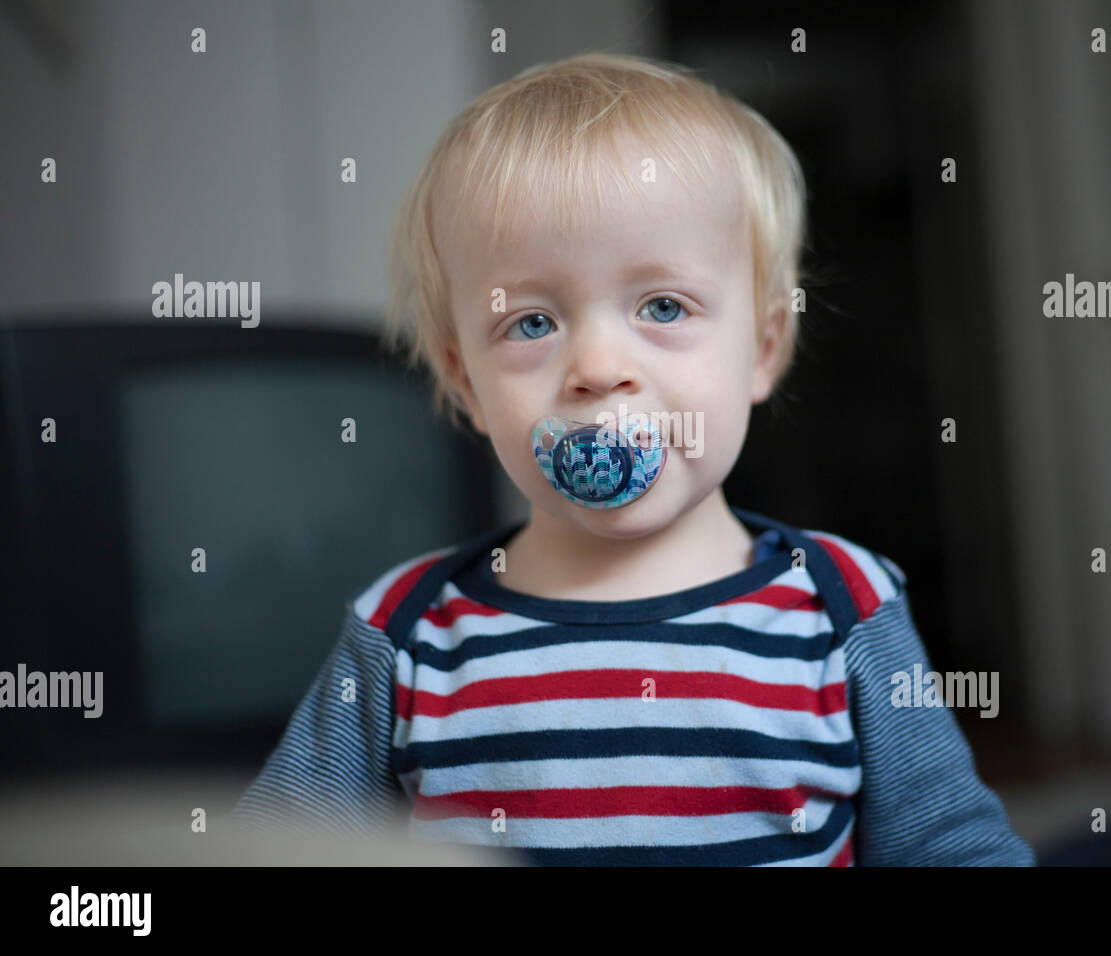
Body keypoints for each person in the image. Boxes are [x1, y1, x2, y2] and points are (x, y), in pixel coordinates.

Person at [232, 51, 1035, 866]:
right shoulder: (403, 634)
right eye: (533, 323)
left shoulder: (843, 609)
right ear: (464, 382)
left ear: (762, 348)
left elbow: (953, 847)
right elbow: (276, 851)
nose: (596, 367)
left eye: (662, 306)